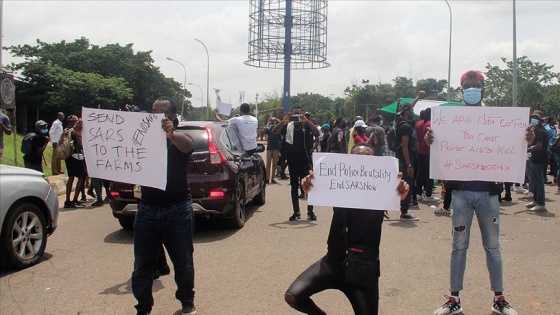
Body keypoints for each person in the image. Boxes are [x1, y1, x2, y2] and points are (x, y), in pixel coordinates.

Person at [427, 70, 526, 315]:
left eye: (476, 84)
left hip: (489, 194)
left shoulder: (499, 119)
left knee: (493, 246)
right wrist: (432, 139)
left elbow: (516, 146)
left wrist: (525, 139)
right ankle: (454, 300)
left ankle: (499, 299)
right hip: (460, 193)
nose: (472, 88)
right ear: (461, 89)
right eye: (467, 85)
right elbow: (439, 148)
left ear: (483, 87)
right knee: (458, 246)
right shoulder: (449, 120)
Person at [284, 143, 410, 315]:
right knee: (294, 296)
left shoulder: (382, 188)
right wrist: (308, 184)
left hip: (363, 266)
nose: (362, 162)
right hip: (334, 261)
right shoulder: (341, 183)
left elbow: (399, 194)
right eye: (356, 158)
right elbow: (316, 187)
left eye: (367, 158)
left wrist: (401, 190)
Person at [131, 96, 196, 315]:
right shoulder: (141, 137)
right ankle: (143, 307)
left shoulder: (179, 138)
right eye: (153, 111)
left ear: (173, 118)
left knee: (183, 263)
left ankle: (187, 301)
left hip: (178, 209)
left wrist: (171, 134)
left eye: (163, 112)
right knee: (142, 265)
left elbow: (187, 145)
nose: (156, 115)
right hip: (147, 209)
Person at [273, 106, 320, 221]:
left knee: (308, 186)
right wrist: (282, 122)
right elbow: (274, 132)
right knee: (294, 187)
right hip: (292, 161)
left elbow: (317, 133)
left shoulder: (306, 126)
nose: (297, 117)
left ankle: (310, 211)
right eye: (295, 114)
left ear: (302, 115)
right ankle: (296, 212)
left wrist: (307, 121)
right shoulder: (288, 126)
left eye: (299, 114)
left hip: (305, 161)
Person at [525, 110, 549, 212]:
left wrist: (527, 149)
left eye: (536, 117)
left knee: (539, 181)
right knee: (535, 180)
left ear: (539, 120)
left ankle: (541, 203)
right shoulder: (536, 129)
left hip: (540, 159)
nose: (533, 119)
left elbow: (539, 146)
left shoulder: (540, 131)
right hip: (536, 158)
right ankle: (535, 200)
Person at [415, 108, 439, 202]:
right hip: (429, 151)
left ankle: (418, 193)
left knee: (420, 173)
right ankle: (428, 194)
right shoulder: (431, 124)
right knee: (429, 173)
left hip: (419, 151)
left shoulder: (419, 123)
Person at [63, 118, 88, 209]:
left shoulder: (68, 131)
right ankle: (74, 199)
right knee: (82, 177)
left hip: (68, 157)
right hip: (76, 157)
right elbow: (81, 146)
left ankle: (67, 200)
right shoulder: (76, 134)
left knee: (71, 177)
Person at [261, 117, 281, 184]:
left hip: (276, 148)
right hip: (269, 148)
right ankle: (267, 179)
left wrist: (276, 119)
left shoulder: (277, 128)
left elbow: (281, 123)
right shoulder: (268, 128)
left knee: (275, 164)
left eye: (273, 120)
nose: (272, 121)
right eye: (271, 120)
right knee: (268, 164)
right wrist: (266, 126)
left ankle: (272, 179)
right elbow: (262, 133)